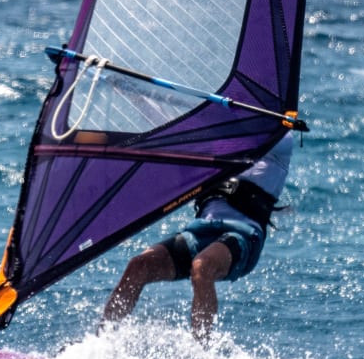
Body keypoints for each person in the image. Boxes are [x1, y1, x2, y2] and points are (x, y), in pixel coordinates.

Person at [102, 129, 296, 340]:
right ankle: (101, 343)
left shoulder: (279, 135)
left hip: (243, 234)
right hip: (201, 229)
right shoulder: (221, 135)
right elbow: (172, 129)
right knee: (138, 266)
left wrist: (216, 119)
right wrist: (140, 99)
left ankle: (201, 352)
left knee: (202, 268)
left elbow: (254, 131)